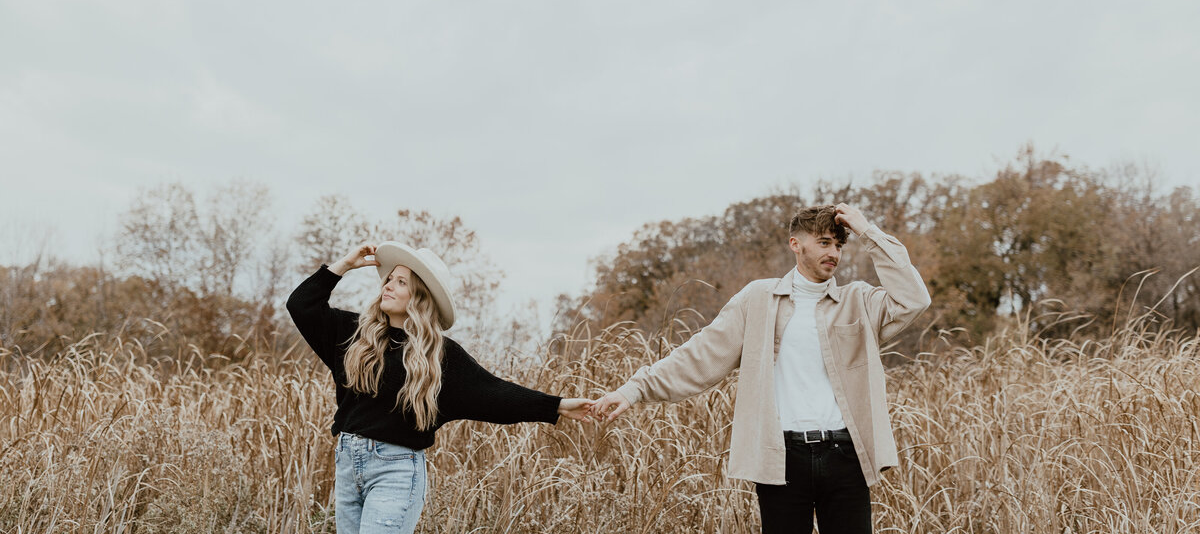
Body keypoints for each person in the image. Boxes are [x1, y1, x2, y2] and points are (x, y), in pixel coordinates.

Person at [591, 203, 931, 534]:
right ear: (796, 244)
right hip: (781, 459)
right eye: (825, 242)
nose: (835, 253)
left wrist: (867, 231)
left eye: (839, 245)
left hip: (846, 456)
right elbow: (700, 355)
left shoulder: (860, 301)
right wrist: (634, 389)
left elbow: (914, 299)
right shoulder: (758, 300)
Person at [288, 241, 592, 534]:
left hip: (395, 472)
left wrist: (557, 405)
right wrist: (343, 265)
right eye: (389, 279)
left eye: (401, 282)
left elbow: (496, 395)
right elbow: (301, 305)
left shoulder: (439, 357)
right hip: (347, 464)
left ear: (420, 296)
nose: (388, 285)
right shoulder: (355, 336)